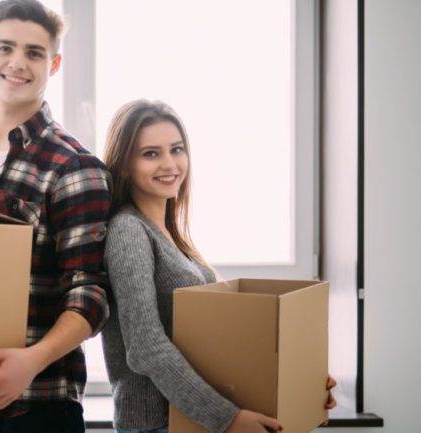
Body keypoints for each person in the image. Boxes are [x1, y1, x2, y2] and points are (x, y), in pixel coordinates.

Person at [101, 99, 337, 433]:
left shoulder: (174, 237)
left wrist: (303, 384)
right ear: (124, 165)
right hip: (157, 423)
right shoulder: (128, 231)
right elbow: (145, 347)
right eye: (150, 153)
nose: (169, 163)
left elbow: (222, 344)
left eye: (177, 149)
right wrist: (227, 419)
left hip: (189, 420)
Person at [0, 1, 112, 432]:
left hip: (36, 407)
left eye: (34, 53)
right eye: (6, 48)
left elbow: (90, 295)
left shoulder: (74, 166)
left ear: (53, 64)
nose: (17, 63)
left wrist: (30, 362)